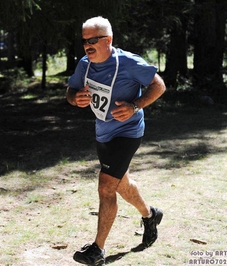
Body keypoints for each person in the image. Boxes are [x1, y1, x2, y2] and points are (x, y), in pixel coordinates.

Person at [66, 16, 166, 265]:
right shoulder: (85, 64)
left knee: (106, 186)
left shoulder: (129, 63)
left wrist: (135, 106)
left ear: (108, 40)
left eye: (93, 40)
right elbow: (71, 91)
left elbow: (159, 85)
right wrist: (75, 98)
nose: (87, 45)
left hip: (128, 132)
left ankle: (97, 249)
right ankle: (150, 214)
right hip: (103, 132)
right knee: (122, 184)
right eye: (84, 41)